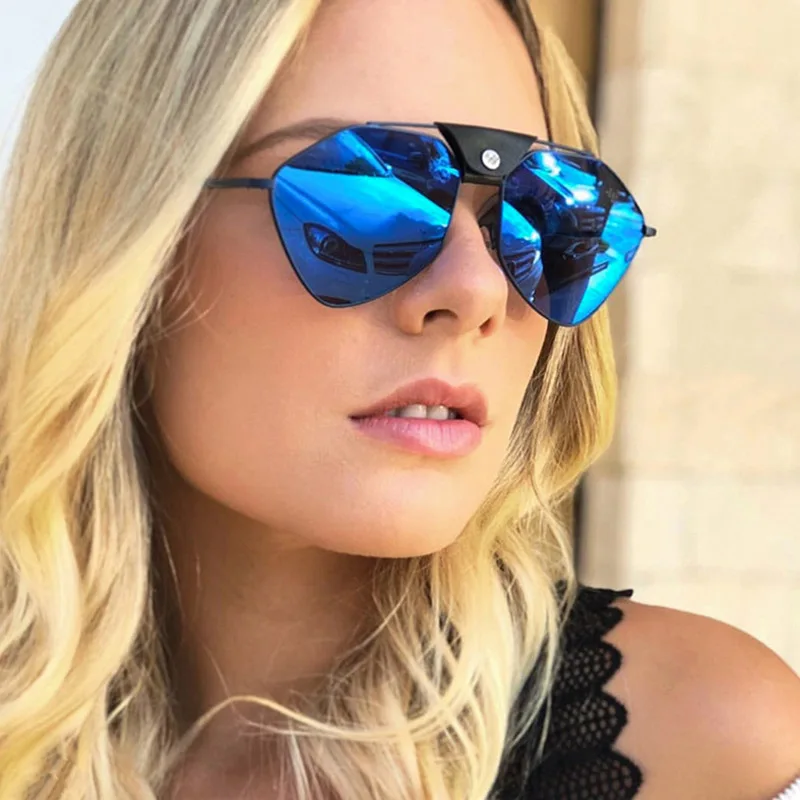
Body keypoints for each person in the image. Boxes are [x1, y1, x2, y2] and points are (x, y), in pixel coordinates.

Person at [0, 0, 798, 798]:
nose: (479, 290)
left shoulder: (708, 750)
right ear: (126, 237)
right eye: (367, 198)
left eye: (548, 217)